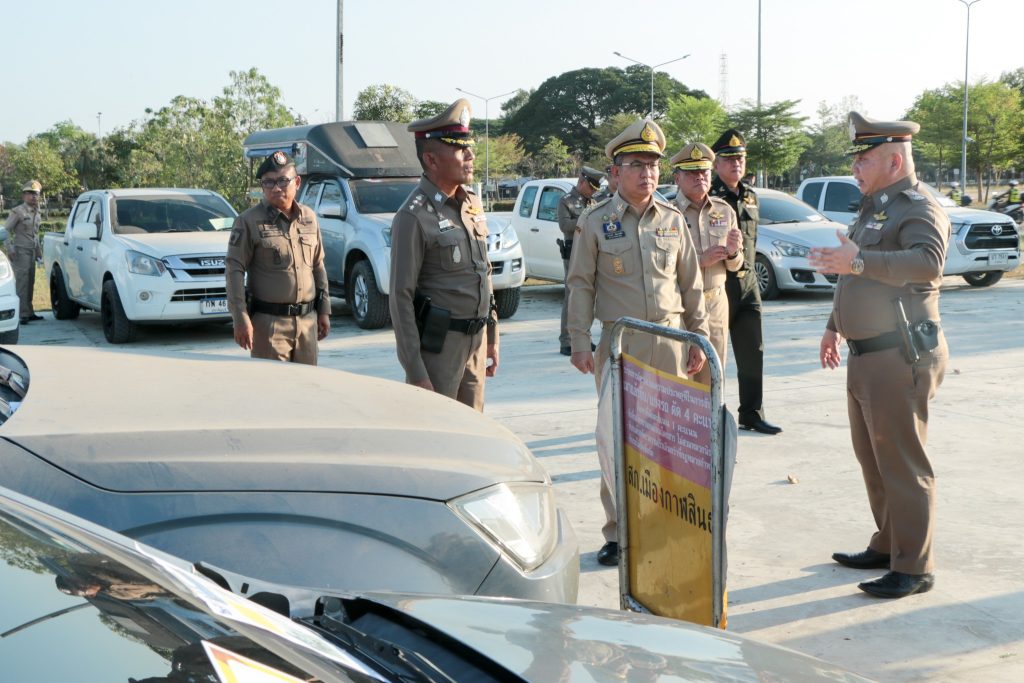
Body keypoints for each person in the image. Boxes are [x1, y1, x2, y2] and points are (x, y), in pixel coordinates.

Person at [808, 111, 950, 599]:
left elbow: (928, 263)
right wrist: (834, 326)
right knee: (874, 459)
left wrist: (858, 261)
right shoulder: (874, 208)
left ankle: (915, 566)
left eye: (863, 159)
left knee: (903, 463)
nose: (855, 168)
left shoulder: (918, 208)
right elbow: (852, 273)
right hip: (866, 355)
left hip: (900, 355)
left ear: (893, 161)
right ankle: (890, 543)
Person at [566, 118, 710, 566]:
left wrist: (699, 338)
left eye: (652, 165)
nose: (647, 173)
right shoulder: (595, 221)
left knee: (669, 440)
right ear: (615, 172)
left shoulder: (672, 220)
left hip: (671, 341)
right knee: (619, 439)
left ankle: (665, 522)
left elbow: (692, 284)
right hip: (620, 344)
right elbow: (580, 284)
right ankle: (618, 530)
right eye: (636, 165)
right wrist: (578, 339)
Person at [389, 98, 499, 412]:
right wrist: (415, 370)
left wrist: (492, 336)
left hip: (476, 342)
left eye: (469, 147)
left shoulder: (471, 203)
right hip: (439, 349)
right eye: (460, 149)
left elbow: (484, 273)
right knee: (437, 430)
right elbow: (400, 297)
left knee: (474, 430)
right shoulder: (413, 216)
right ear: (432, 160)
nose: (471, 156)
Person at [225, 151, 331, 365]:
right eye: (268, 182)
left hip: (307, 323)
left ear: (297, 182)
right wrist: (240, 317)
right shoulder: (248, 221)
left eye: (283, 181)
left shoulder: (309, 218)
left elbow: (318, 266)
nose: (276, 188)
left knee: (308, 383)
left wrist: (324, 311)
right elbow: (234, 270)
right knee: (273, 385)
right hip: (270, 325)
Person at [709, 130, 782, 434]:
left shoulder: (751, 196)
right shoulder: (708, 197)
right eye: (729, 159)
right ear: (716, 164)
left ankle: (751, 413)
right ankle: (705, 414)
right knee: (711, 356)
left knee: (753, 350)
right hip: (718, 284)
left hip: (748, 283)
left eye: (740, 158)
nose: (736, 163)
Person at [670, 142, 743, 386]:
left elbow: (735, 266)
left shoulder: (724, 210)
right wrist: (701, 260)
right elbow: (661, 265)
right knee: (682, 378)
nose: (699, 177)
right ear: (677, 178)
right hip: (681, 306)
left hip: (715, 303)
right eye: (692, 172)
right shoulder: (668, 214)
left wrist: (733, 253)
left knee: (713, 377)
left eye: (704, 172)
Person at [556, 166, 604, 355]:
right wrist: (586, 220)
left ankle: (585, 338)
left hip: (591, 251)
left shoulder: (593, 202)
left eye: (595, 189)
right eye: (591, 188)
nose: (593, 192)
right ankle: (566, 341)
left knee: (589, 297)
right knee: (572, 296)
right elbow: (564, 225)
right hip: (573, 253)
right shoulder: (566, 201)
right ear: (581, 182)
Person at [5, 180, 44, 324]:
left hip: (32, 251)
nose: (33, 196)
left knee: (30, 282)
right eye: (30, 193)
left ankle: (29, 312)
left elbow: (35, 235)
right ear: (24, 195)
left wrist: (39, 253)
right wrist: (9, 248)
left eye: (36, 194)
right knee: (22, 283)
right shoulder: (18, 211)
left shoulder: (37, 212)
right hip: (20, 252)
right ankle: (22, 314)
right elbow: (5, 231)